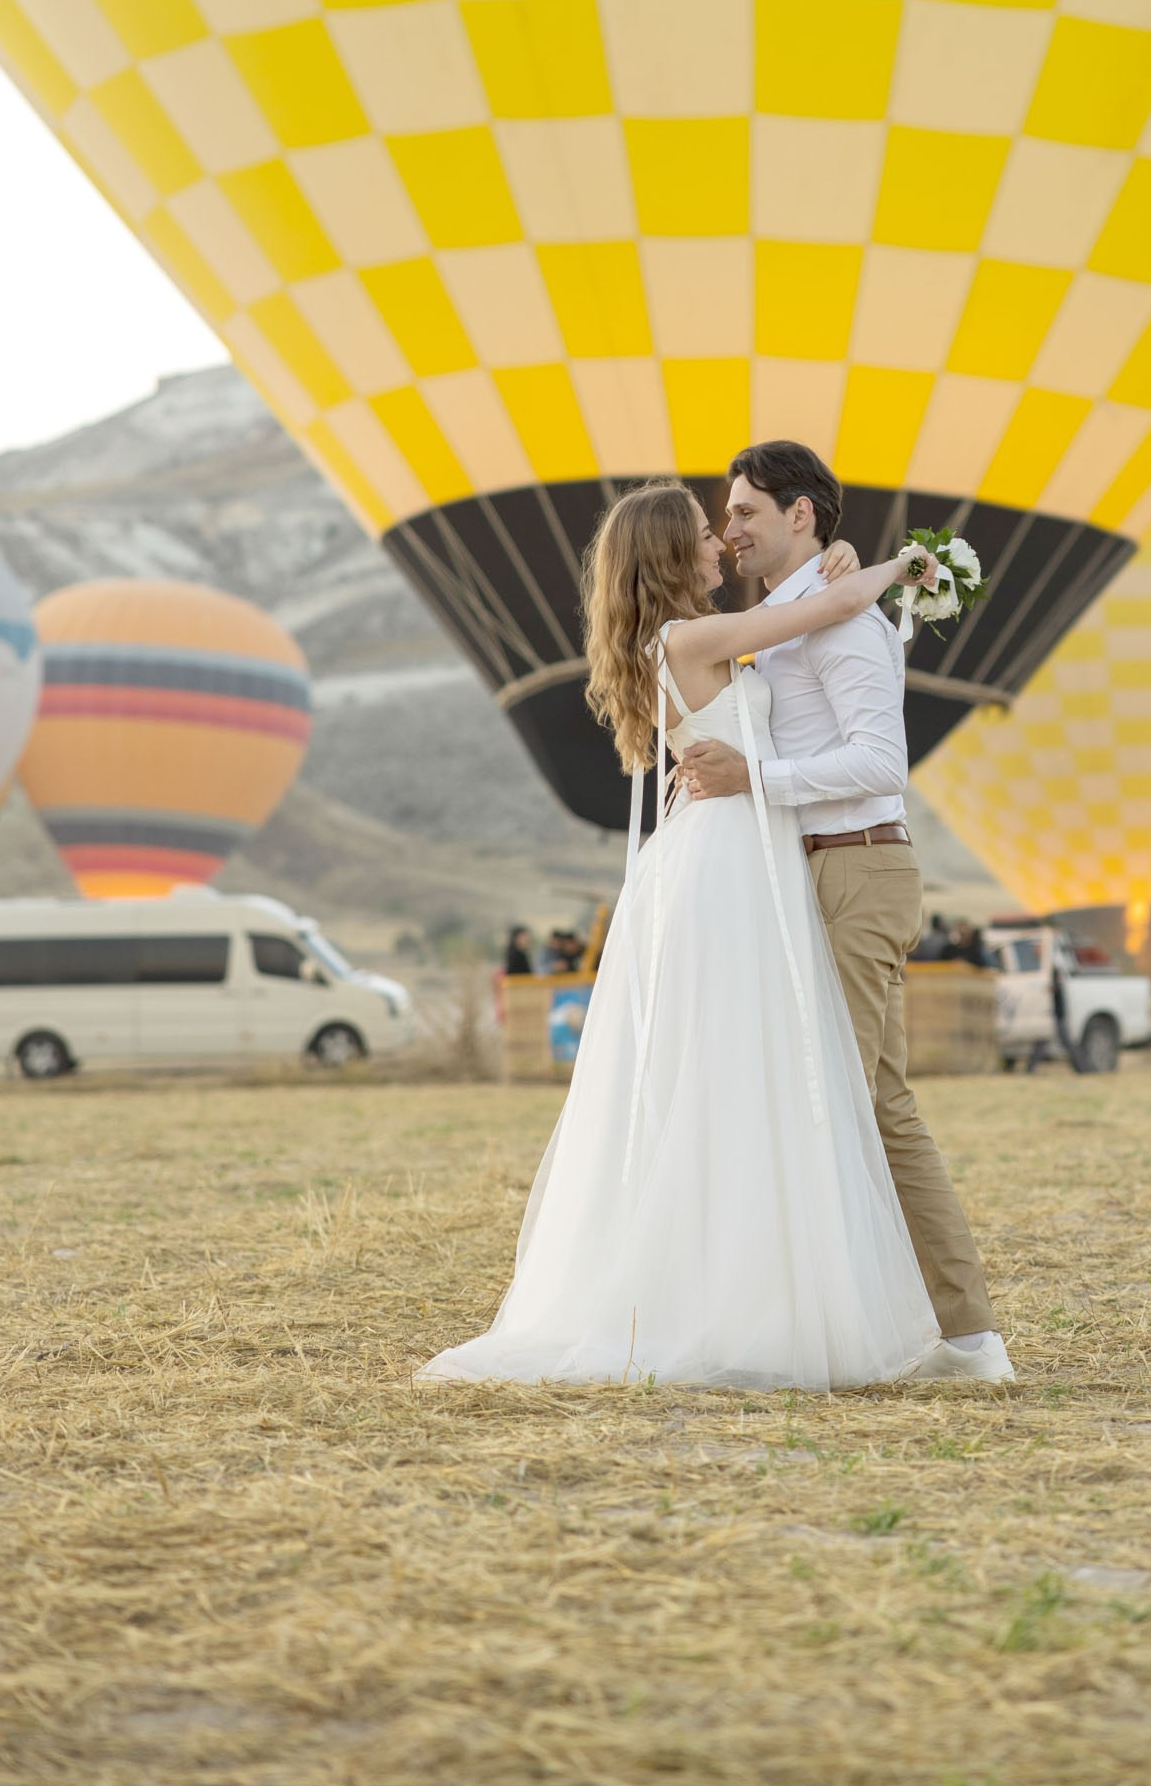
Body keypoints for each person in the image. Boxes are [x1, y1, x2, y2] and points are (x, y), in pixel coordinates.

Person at [421, 482, 944, 1393]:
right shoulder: (689, 637)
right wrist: (906, 563)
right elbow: (835, 609)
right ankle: (750, 1298)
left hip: (723, 851)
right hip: (733, 859)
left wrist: (843, 567)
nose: (722, 543)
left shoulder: (668, 644)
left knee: (726, 1078)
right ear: (672, 554)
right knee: (754, 1079)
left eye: (730, 524)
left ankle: (729, 1289)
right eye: (707, 534)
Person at [674, 442, 1014, 1385]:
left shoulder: (847, 625)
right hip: (800, 875)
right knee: (825, 1102)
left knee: (865, 1104)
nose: (730, 528)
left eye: (745, 511)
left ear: (801, 517)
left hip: (857, 871)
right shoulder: (786, 617)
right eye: (725, 514)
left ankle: (968, 1339)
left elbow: (879, 766)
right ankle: (867, 1326)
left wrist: (756, 778)